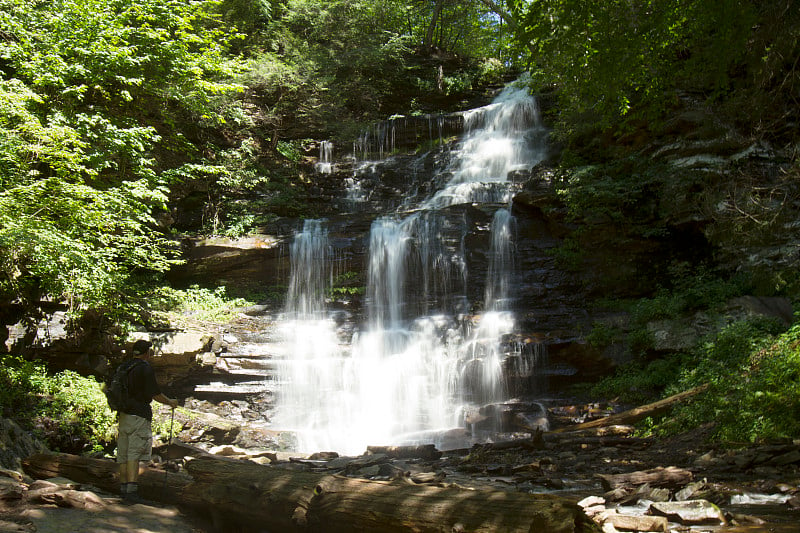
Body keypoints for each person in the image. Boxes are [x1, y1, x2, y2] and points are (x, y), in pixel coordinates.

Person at [116, 339, 179, 504]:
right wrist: (171, 402)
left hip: (123, 415)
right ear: (147, 353)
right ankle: (131, 492)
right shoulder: (145, 368)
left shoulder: (124, 367)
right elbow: (155, 394)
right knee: (133, 455)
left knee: (123, 454)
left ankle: (123, 489)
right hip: (139, 416)